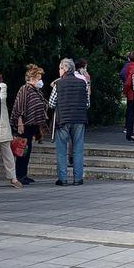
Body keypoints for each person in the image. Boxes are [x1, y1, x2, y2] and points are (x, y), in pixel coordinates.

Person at [47, 58, 89, 186]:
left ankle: (62, 178)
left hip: (63, 120)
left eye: (60, 68)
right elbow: (87, 103)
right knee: (78, 149)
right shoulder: (83, 83)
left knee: (61, 150)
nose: (59, 71)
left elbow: (51, 103)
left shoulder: (58, 84)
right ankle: (78, 178)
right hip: (79, 119)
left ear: (65, 69)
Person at [11, 65, 48, 185]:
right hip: (25, 125)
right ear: (32, 78)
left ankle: (24, 174)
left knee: (28, 150)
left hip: (32, 125)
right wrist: (20, 123)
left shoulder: (36, 91)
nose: (40, 81)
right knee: (23, 150)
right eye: (39, 78)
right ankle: (19, 175)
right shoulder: (25, 89)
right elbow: (20, 106)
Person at [121, 51, 134, 142]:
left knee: (130, 113)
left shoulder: (128, 65)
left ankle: (130, 132)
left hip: (130, 93)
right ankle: (131, 133)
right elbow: (130, 80)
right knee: (133, 114)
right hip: (133, 93)